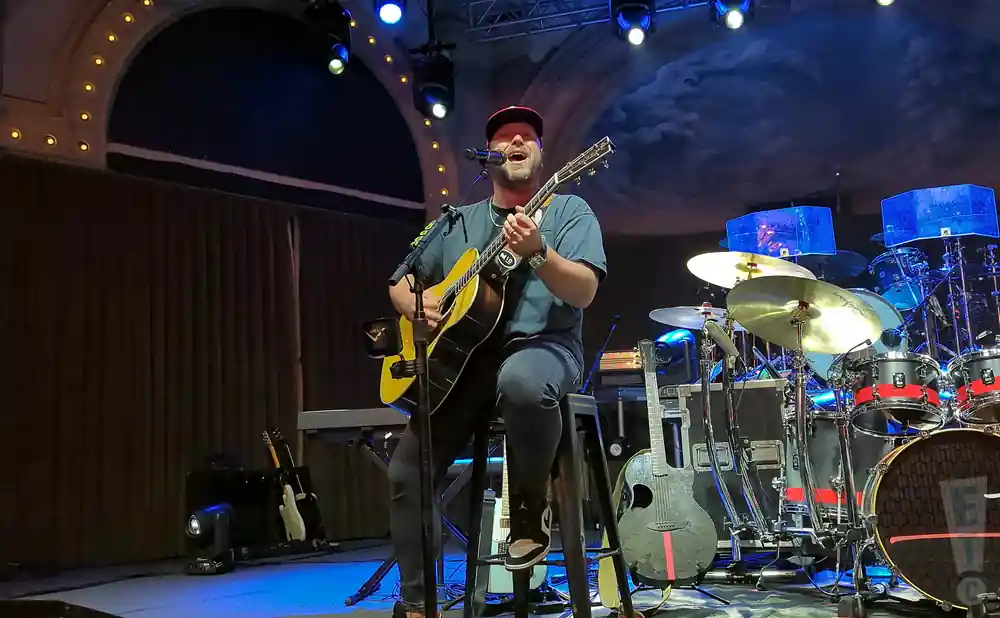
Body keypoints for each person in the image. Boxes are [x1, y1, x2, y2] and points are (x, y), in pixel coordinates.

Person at [386, 106, 607, 618]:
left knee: (523, 382)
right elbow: (399, 280)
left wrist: (539, 252)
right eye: (506, 136)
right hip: (464, 363)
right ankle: (419, 603)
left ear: (540, 152)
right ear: (489, 155)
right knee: (404, 469)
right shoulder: (456, 222)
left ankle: (529, 514)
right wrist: (416, 306)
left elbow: (585, 290)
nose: (517, 142)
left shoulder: (569, 210)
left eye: (527, 136)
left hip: (545, 348)